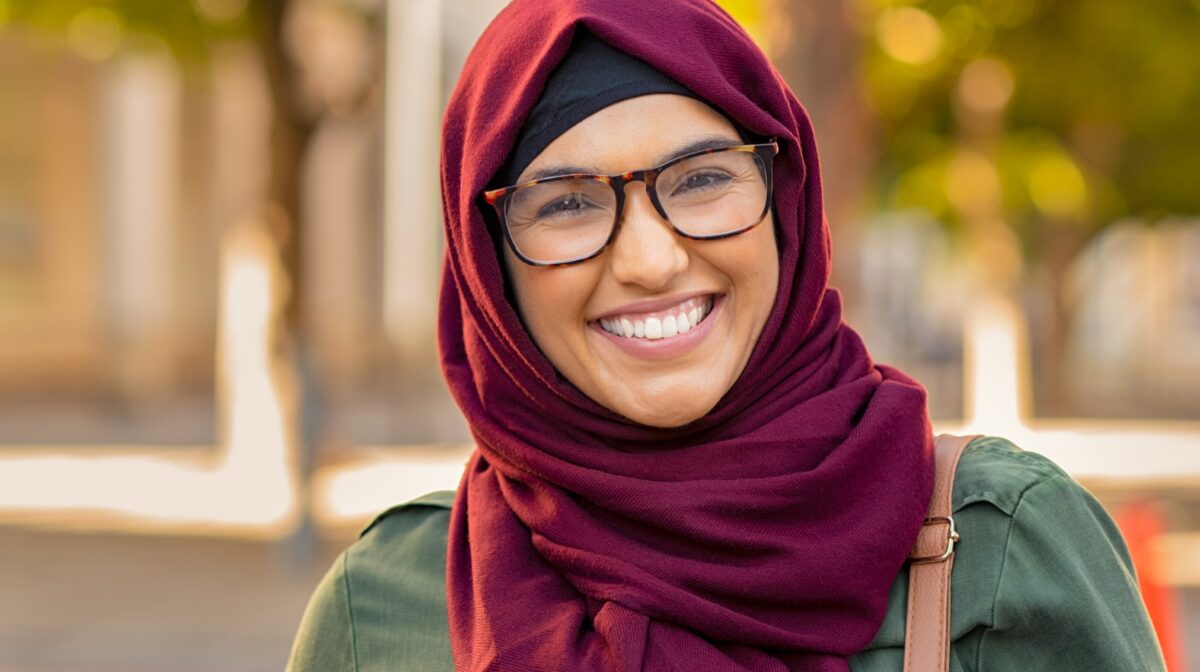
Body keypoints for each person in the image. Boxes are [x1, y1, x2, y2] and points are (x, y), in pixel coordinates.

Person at [286, 1, 1168, 670]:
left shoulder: (1006, 550)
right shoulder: (387, 605)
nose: (649, 258)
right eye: (565, 203)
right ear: (487, 270)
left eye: (702, 178)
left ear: (785, 203)